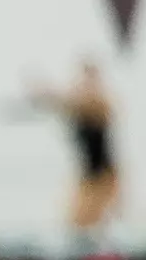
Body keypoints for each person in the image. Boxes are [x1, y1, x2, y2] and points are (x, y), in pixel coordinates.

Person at [29, 60, 119, 245]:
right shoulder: (81, 105)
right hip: (88, 177)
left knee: (83, 226)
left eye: (87, 80)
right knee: (74, 226)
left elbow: (75, 102)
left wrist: (48, 91)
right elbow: (65, 103)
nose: (82, 84)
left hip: (103, 178)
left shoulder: (99, 103)